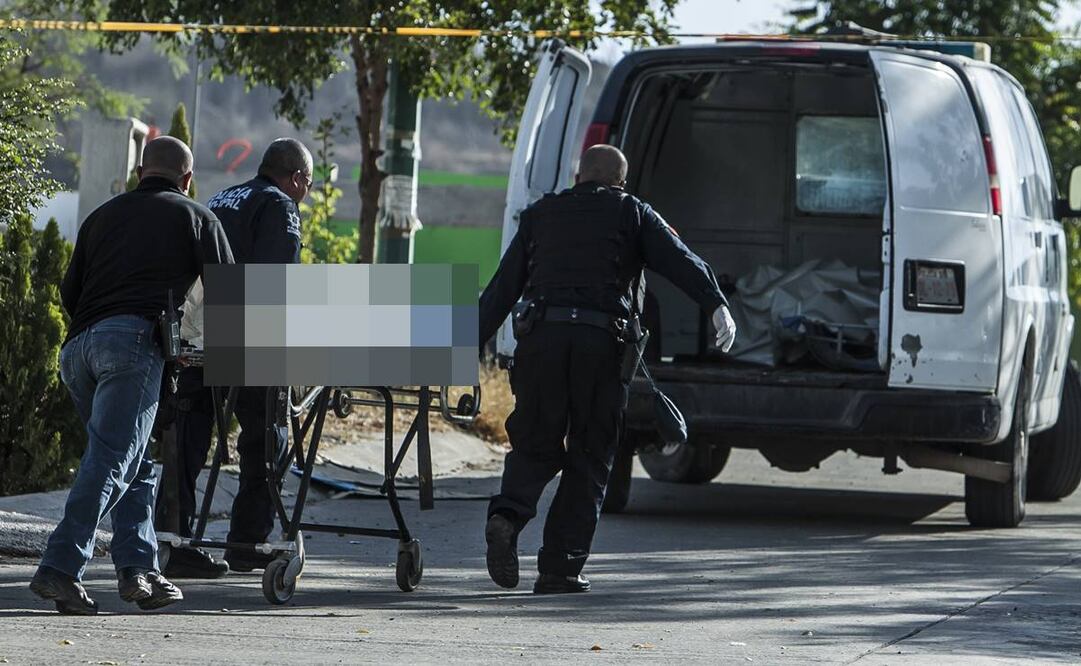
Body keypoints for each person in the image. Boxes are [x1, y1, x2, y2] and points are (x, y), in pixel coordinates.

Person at [479, 144, 737, 594]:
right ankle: (560, 568)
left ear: (579, 176)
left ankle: (507, 515)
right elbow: (679, 258)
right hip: (600, 347)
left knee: (535, 442)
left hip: (542, 342)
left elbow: (502, 287)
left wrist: (465, 343)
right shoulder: (631, 212)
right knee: (590, 453)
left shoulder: (540, 215)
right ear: (619, 181)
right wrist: (716, 304)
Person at [29, 136, 235, 615]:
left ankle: (139, 571)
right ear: (187, 179)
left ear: (141, 172)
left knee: (135, 463)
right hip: (134, 346)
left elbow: (70, 291)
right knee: (114, 463)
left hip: (79, 351)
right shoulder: (196, 216)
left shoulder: (102, 215)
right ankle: (59, 567)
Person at [154, 138, 313, 577]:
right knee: (265, 436)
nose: (305, 192)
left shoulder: (222, 196)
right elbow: (273, 280)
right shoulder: (280, 204)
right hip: (247, 333)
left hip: (196, 331)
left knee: (187, 432)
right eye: (308, 184)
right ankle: (248, 542)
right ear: (297, 178)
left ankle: (171, 539)